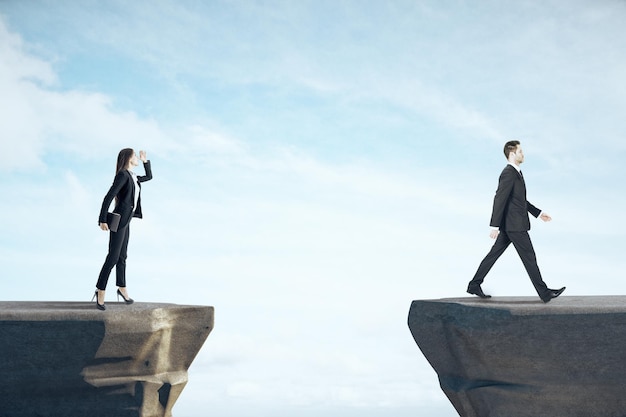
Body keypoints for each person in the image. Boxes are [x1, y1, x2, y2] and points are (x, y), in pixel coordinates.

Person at [467, 140, 565, 303]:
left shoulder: (516, 172)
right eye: (520, 151)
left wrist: (538, 213)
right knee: (529, 257)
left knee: (494, 254)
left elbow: (519, 200)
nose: (523, 154)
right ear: (512, 153)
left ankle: (474, 285)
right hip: (514, 225)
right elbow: (500, 198)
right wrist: (494, 226)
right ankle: (544, 293)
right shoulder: (509, 173)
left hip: (511, 224)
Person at [93, 149, 152, 310]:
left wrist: (145, 161)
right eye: (135, 156)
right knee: (113, 257)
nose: (137, 158)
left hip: (126, 220)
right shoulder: (123, 175)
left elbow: (149, 177)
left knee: (122, 257)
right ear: (128, 158)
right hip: (118, 220)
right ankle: (100, 290)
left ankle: (121, 287)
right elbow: (109, 196)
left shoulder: (133, 177)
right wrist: (102, 219)